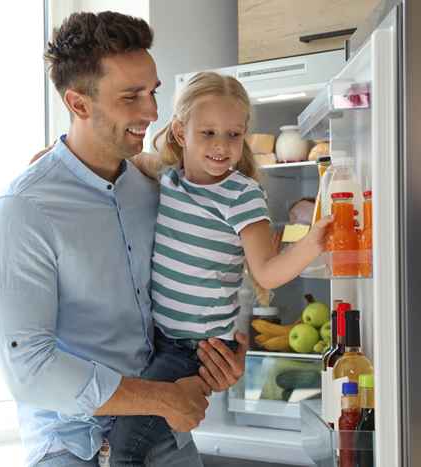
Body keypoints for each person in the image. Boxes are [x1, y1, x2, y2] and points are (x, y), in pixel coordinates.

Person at [0, 11, 247, 467]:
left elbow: (191, 292)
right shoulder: (22, 210)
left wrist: (219, 355)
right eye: (131, 97)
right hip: (73, 447)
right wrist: (160, 398)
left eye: (153, 92)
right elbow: (29, 370)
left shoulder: (156, 192)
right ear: (79, 103)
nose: (152, 112)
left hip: (165, 435)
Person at [105, 71, 332, 466]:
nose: (221, 146)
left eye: (233, 134)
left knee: (126, 444)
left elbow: (266, 272)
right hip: (160, 338)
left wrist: (312, 243)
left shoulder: (242, 195)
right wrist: (56, 158)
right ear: (180, 131)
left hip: (198, 348)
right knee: (145, 439)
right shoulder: (168, 177)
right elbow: (123, 159)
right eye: (208, 133)